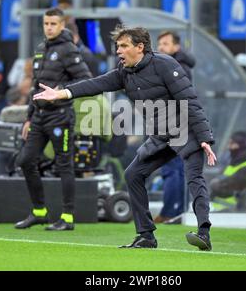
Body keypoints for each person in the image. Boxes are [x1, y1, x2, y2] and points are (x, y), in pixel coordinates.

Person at [34, 25, 217, 251]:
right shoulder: (124, 72)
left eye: (123, 46)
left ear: (140, 47)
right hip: (160, 135)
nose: (118, 51)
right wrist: (60, 93)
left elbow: (190, 100)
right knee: (133, 174)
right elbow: (95, 84)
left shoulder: (165, 64)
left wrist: (204, 138)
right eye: (117, 46)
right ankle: (146, 236)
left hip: (185, 131)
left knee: (194, 177)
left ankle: (203, 233)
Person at [14, 8, 92, 231]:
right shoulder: (40, 50)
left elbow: (85, 79)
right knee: (26, 161)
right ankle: (39, 212)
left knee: (63, 165)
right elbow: (34, 87)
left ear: (62, 26)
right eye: (46, 23)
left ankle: (67, 217)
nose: (48, 27)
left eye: (53, 24)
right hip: (38, 117)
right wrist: (29, 118)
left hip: (60, 117)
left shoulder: (69, 50)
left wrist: (60, 91)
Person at [154, 31, 197, 224]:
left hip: (172, 121)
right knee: (177, 169)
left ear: (176, 47)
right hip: (175, 121)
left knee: (170, 169)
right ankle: (176, 210)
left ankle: (170, 212)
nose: (161, 47)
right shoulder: (178, 65)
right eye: (160, 44)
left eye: (165, 44)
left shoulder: (177, 67)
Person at [208, 131, 246, 212]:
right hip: (224, 213)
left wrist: (214, 183)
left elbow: (223, 187)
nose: (228, 147)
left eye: (232, 143)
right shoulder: (237, 164)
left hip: (234, 215)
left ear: (242, 146)